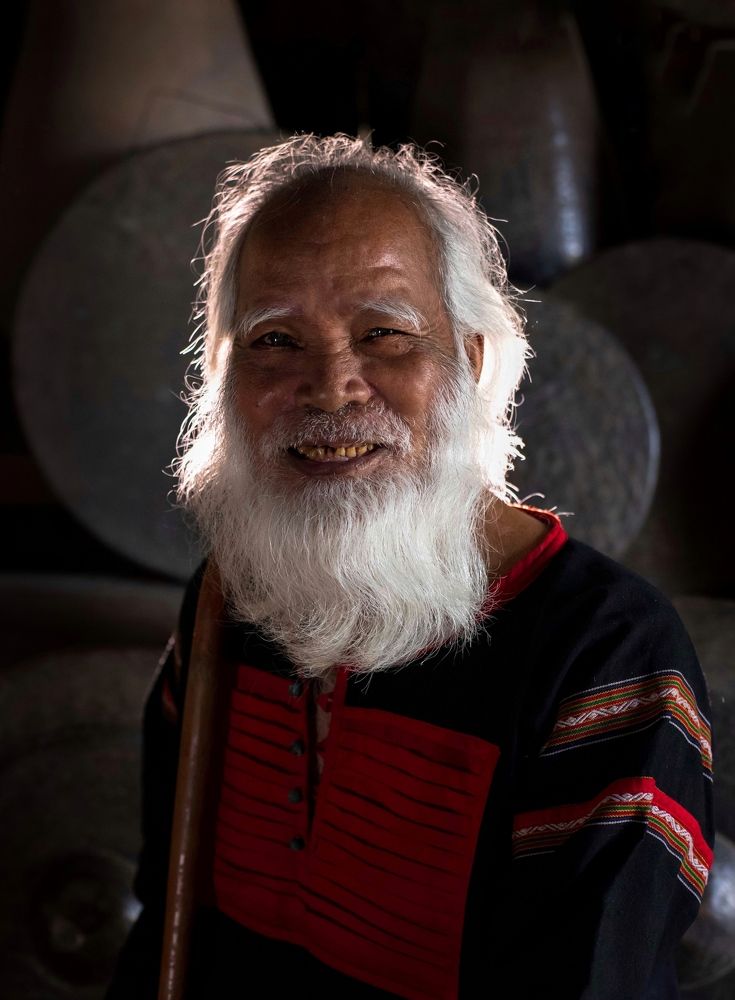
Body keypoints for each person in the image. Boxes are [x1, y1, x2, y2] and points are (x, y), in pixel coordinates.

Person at [108, 134, 713, 999]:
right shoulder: (224, 605)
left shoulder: (604, 655)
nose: (331, 385)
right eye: (274, 340)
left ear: (467, 364)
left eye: (384, 333)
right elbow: (162, 930)